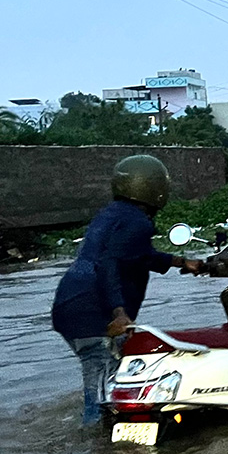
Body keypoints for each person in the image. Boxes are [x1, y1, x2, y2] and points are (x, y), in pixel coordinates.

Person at [51, 154, 203, 425]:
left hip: (70, 303)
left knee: (111, 376)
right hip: (94, 310)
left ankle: (104, 438)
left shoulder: (112, 214)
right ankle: (96, 447)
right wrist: (118, 312)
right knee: (102, 391)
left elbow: (138, 255)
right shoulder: (138, 222)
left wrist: (182, 262)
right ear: (156, 189)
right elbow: (109, 263)